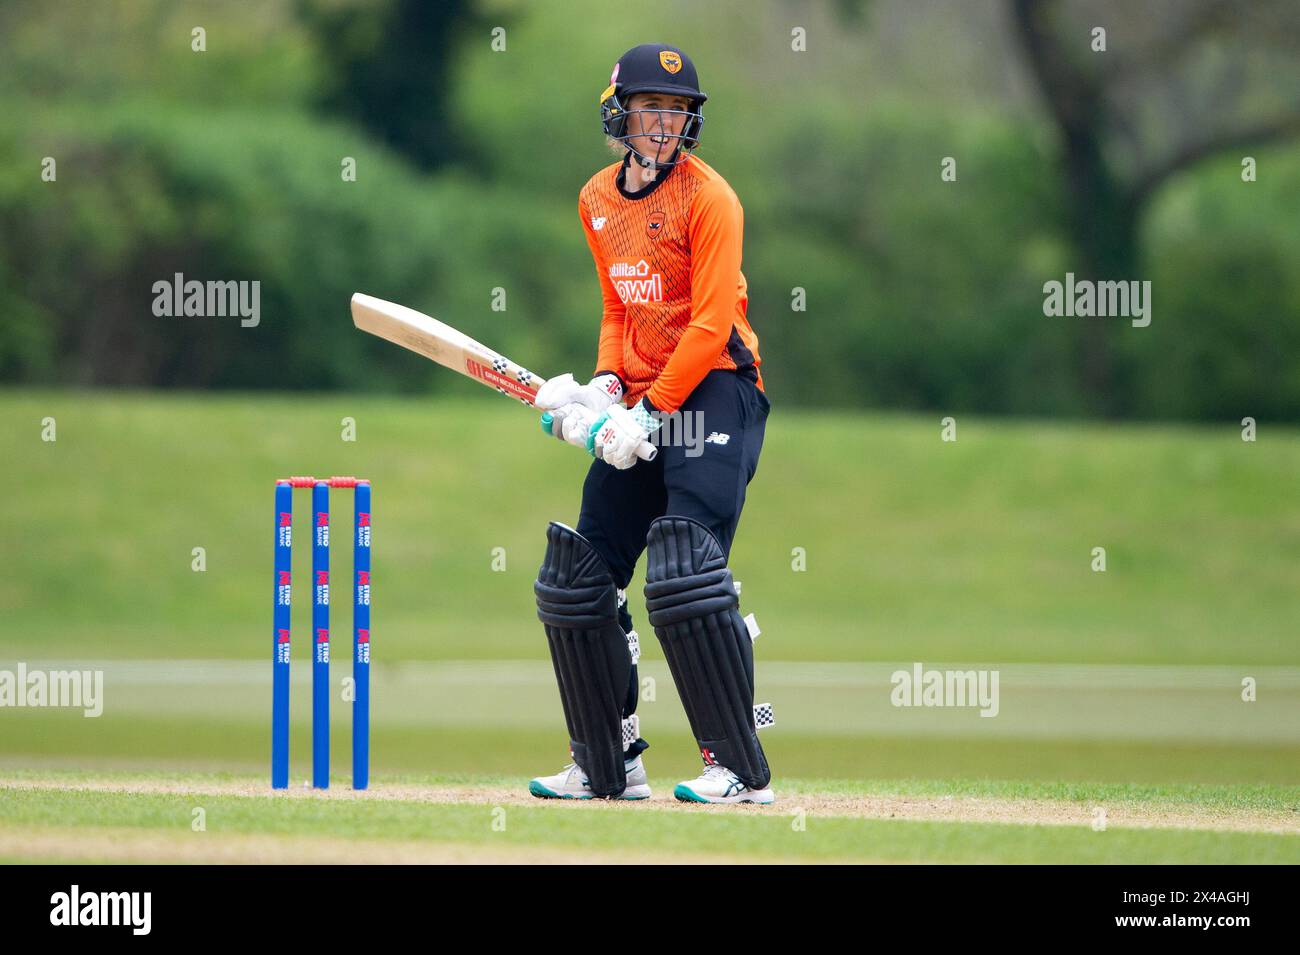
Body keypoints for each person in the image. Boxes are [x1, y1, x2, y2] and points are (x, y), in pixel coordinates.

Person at [528, 43, 773, 805]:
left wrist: (651, 411)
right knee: (579, 574)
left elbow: (707, 325)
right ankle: (607, 761)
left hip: (717, 390)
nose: (664, 124)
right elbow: (617, 307)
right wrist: (605, 387)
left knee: (683, 568)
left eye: (677, 112)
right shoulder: (596, 198)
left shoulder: (711, 199)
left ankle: (737, 767)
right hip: (640, 392)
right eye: (649, 110)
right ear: (619, 113)